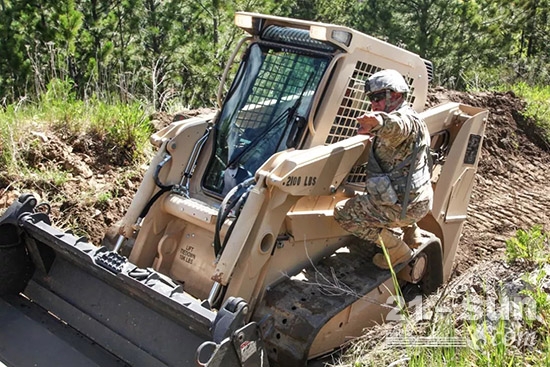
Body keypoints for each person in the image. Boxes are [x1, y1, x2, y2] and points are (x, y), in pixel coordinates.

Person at [334, 69, 433, 269]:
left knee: (342, 213)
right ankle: (412, 233)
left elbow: (397, 126)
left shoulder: (404, 121)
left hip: (405, 208)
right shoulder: (415, 117)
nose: (373, 103)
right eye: (371, 98)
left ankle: (397, 250)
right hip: (419, 201)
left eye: (378, 97)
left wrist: (378, 122)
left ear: (395, 95)